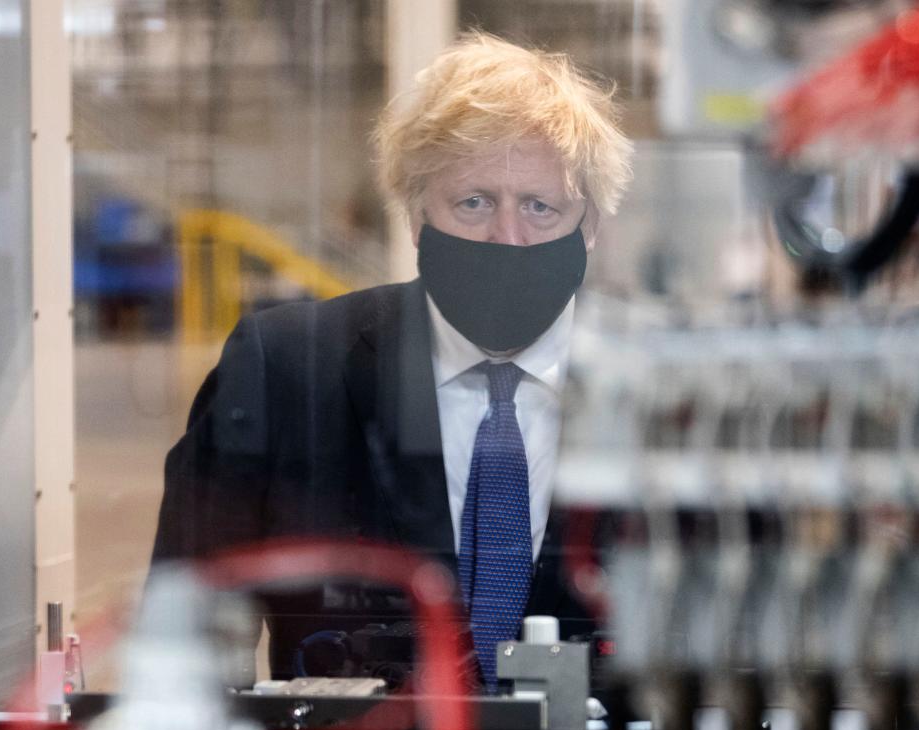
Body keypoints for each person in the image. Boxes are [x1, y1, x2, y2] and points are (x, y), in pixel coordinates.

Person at [151, 33, 634, 689]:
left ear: (591, 227)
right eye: (474, 202)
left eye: (540, 207)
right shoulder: (285, 369)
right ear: (415, 216)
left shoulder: (661, 394)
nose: (508, 238)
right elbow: (180, 629)